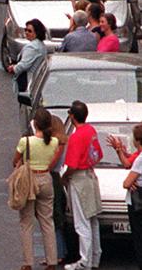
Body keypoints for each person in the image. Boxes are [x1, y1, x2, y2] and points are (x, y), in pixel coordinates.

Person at [12, 107, 61, 270]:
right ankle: (52, 261)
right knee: (47, 221)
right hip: (46, 179)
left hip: (29, 179)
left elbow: (15, 159)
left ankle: (27, 263)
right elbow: (53, 160)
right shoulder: (54, 142)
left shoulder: (26, 141)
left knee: (26, 222)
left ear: (35, 124)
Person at [62, 101, 103, 270]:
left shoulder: (76, 137)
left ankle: (84, 261)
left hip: (79, 179)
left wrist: (64, 178)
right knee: (93, 219)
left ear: (72, 116)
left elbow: (71, 165)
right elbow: (97, 154)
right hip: (91, 176)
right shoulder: (91, 131)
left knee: (81, 222)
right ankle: (94, 257)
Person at [7, 18, 48, 92]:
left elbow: (24, 65)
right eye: (25, 30)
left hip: (28, 81)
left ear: (37, 33)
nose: (26, 32)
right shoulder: (40, 45)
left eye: (30, 31)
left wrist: (13, 68)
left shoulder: (32, 47)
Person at [122, 124, 142, 268]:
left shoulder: (140, 159)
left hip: (138, 201)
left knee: (138, 236)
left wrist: (132, 182)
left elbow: (126, 183)